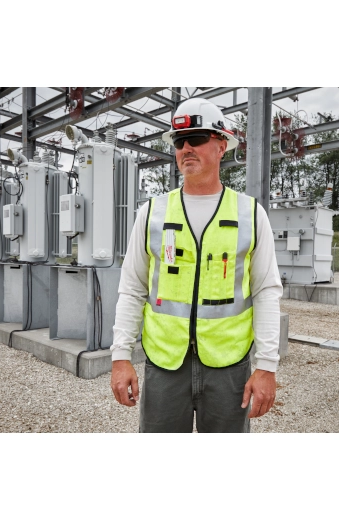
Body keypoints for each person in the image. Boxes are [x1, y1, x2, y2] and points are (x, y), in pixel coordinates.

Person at [110, 97, 283, 433]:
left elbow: (266, 291)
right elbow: (132, 288)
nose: (186, 148)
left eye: (197, 138)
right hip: (165, 363)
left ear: (221, 145)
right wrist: (120, 357)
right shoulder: (152, 213)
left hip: (228, 365)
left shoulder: (250, 214)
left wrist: (266, 366)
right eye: (179, 141)